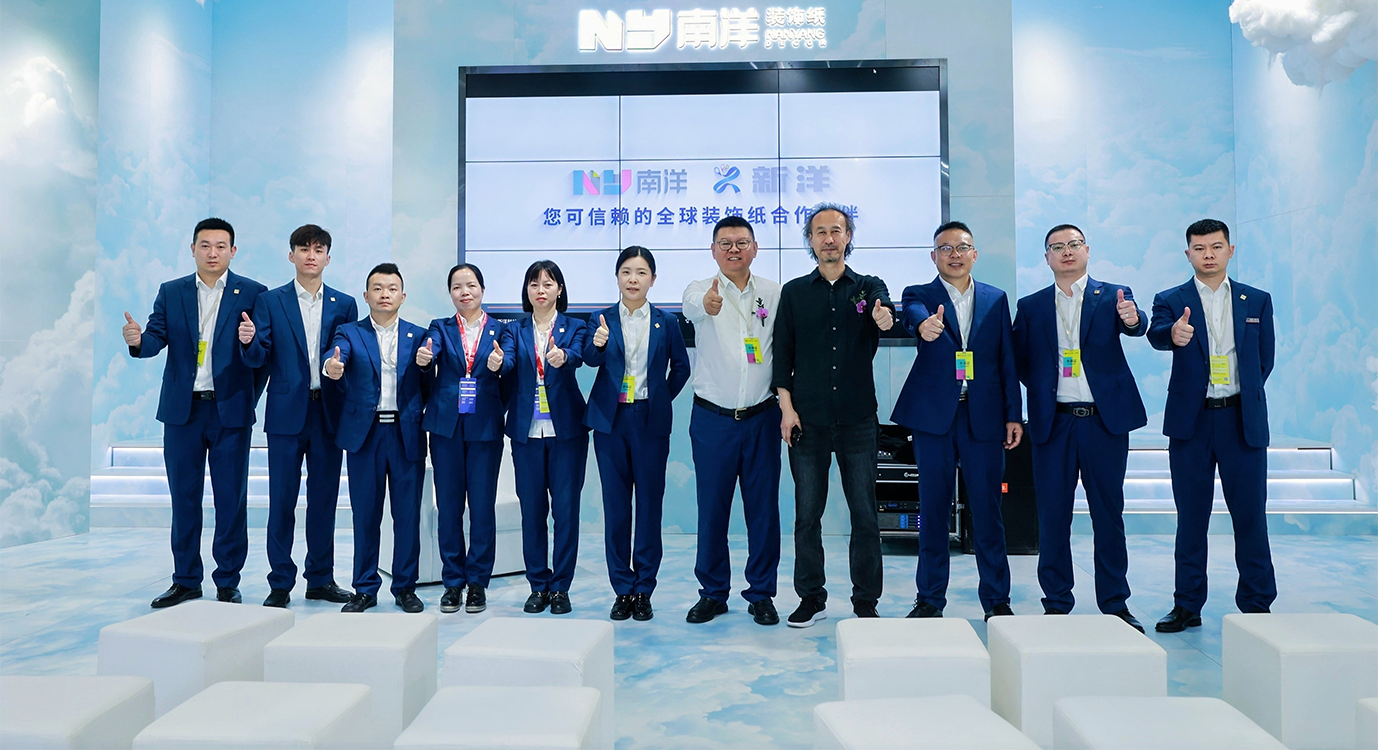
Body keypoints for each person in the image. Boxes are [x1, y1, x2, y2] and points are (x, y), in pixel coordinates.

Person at [123, 217, 268, 608]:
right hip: (182, 412)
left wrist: (249, 346)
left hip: (230, 412)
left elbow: (261, 356)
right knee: (184, 498)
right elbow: (155, 338)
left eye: (221, 246)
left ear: (233, 251)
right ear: (192, 249)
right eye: (205, 245)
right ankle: (186, 580)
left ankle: (227, 581)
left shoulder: (253, 293)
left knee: (230, 500)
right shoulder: (171, 292)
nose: (212, 253)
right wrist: (138, 341)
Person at [1011, 224, 1146, 632]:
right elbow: (1019, 360)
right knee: (1053, 516)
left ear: (1087, 250)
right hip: (1054, 423)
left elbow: (1135, 323)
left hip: (1104, 423)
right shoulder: (1032, 306)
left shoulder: (1114, 295)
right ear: (1047, 257)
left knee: (1108, 514)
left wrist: (1133, 319)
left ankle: (1115, 603)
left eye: (1073, 245)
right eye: (1057, 247)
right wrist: (1042, 389)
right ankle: (1056, 602)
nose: (1066, 251)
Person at [1148, 218, 1276, 632]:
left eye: (1216, 247)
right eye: (1200, 248)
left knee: (1250, 516)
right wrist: (1173, 334)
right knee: (1191, 518)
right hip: (1192, 422)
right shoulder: (1171, 299)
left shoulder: (1256, 300)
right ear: (1188, 254)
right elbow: (1157, 334)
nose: (1208, 255)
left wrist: (1240, 395)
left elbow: (1264, 360)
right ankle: (1187, 604)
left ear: (1230, 251)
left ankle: (1256, 603)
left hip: (1241, 420)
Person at [891, 220, 1022, 621]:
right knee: (933, 509)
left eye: (962, 247)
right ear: (934, 256)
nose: (954, 254)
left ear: (974, 254)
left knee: (987, 510)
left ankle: (997, 599)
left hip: (983, 417)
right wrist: (923, 325)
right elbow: (912, 315)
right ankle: (930, 599)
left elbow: (1006, 359)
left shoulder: (995, 298)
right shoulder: (919, 294)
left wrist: (1013, 415)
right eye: (945, 248)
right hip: (934, 419)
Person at [773, 203, 895, 628]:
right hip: (807, 420)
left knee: (864, 513)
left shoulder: (867, 286)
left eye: (836, 230)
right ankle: (811, 597)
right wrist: (786, 410)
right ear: (810, 240)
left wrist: (883, 316)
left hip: (858, 419)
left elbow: (884, 312)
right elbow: (782, 356)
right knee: (807, 515)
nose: (829, 238)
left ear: (848, 237)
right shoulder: (793, 293)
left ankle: (866, 600)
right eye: (820, 231)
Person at [238, 225, 356, 609]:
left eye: (318, 250)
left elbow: (350, 357)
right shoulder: (270, 301)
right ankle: (280, 582)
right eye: (303, 249)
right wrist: (248, 341)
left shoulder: (344, 304)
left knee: (324, 500)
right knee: (282, 501)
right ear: (291, 256)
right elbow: (259, 357)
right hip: (286, 414)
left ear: (328, 258)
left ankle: (320, 579)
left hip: (328, 413)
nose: (311, 255)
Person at [681, 216, 784, 626]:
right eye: (725, 243)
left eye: (742, 242)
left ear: (755, 248)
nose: (733, 249)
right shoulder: (698, 290)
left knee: (764, 511)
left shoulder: (774, 293)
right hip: (713, 421)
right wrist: (707, 305)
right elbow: (693, 307)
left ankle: (761, 594)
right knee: (712, 509)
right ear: (713, 250)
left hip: (762, 417)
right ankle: (713, 592)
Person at [584, 246, 691, 622]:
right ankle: (622, 589)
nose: (633, 279)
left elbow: (681, 368)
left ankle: (644, 588)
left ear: (653, 279)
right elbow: (590, 359)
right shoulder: (601, 319)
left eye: (641, 272)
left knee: (648, 506)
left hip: (649, 420)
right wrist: (597, 343)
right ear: (617, 277)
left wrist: (658, 398)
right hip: (610, 421)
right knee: (616, 507)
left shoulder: (667, 322)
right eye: (627, 272)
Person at [324, 263, 431, 613]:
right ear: (366, 295)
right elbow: (336, 355)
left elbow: (429, 384)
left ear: (403, 295)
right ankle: (365, 588)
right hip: (365, 436)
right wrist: (331, 366)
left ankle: (405, 587)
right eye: (378, 288)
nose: (385, 294)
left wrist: (427, 365)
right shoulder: (349, 332)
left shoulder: (419, 335)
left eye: (392, 288)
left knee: (407, 516)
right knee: (366, 515)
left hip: (406, 434)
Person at [418, 263, 509, 615]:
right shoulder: (440, 327)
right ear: (451, 293)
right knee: (449, 507)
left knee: (482, 508)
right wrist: (425, 360)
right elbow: (430, 353)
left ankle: (478, 583)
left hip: (485, 428)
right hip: (446, 428)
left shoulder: (501, 329)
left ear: (482, 290)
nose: (464, 292)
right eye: (457, 287)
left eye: (470, 285)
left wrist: (500, 364)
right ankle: (453, 582)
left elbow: (509, 366)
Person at [501, 260, 589, 615]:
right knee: (532, 512)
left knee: (566, 512)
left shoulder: (575, 326)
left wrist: (563, 355)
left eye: (548, 283)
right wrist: (498, 363)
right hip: (527, 433)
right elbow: (508, 360)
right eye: (534, 283)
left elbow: (579, 355)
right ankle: (538, 585)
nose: (541, 290)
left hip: (567, 431)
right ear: (527, 290)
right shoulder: (513, 330)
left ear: (559, 289)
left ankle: (561, 587)